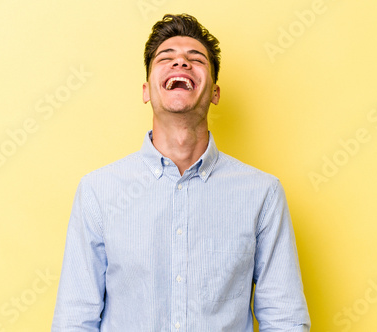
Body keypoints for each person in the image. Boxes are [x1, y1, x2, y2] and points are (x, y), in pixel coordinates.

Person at [52, 13, 310, 331]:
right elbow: (75, 319)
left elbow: (284, 318)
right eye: (167, 57)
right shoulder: (98, 190)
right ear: (147, 90)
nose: (181, 63)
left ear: (215, 92)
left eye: (195, 58)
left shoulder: (262, 193)